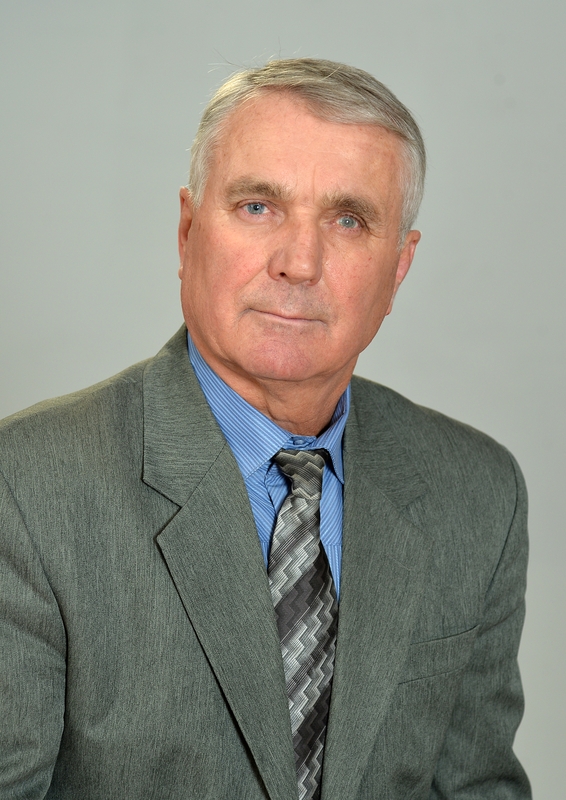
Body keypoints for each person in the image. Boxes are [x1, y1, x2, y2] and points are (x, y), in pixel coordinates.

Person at [0, 58, 530, 800]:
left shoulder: (477, 492)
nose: (299, 264)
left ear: (398, 268)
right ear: (188, 232)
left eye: (348, 221)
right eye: (258, 207)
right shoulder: (25, 489)